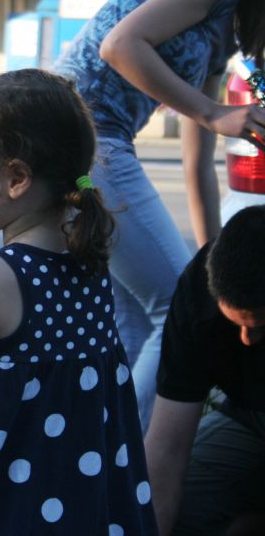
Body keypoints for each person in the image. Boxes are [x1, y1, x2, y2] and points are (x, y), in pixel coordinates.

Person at [0, 69, 157, 534]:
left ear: (16, 177)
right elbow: (27, 362)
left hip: (3, 502)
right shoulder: (90, 257)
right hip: (82, 498)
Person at [53, 0, 265, 429]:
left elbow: (197, 165)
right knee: (172, 309)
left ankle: (104, 470)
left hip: (91, 145)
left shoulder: (223, 32)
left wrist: (214, 271)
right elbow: (120, 45)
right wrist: (212, 111)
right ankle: (123, 460)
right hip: (84, 142)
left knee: (141, 329)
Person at [144, 205, 265, 536]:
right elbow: (167, 448)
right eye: (235, 324)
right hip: (248, 419)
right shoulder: (197, 294)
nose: (246, 340)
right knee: (181, 510)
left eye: (259, 326)